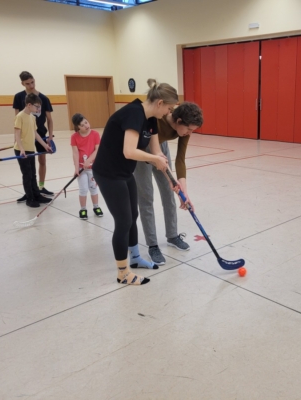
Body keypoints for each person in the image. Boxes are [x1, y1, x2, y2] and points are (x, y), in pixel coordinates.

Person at [92, 79, 179, 285]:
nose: (169, 112)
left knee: (133, 216)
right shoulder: (133, 113)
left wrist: (172, 182)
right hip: (108, 173)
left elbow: (157, 152)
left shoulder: (151, 120)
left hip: (124, 172)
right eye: (168, 108)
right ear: (159, 103)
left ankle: (136, 258)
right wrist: (154, 159)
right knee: (123, 221)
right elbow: (129, 151)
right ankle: (123, 273)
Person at [135, 102, 203, 265]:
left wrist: (183, 192)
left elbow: (180, 159)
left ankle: (172, 236)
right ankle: (152, 245)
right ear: (179, 121)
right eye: (189, 129)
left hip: (161, 147)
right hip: (142, 149)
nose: (190, 133)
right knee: (146, 198)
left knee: (169, 193)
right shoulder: (159, 117)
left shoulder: (184, 128)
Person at [13, 71, 54, 201]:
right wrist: (17, 139)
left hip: (39, 133)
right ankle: (29, 191)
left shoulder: (44, 98)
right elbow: (16, 118)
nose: (31, 85)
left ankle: (40, 188)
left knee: (41, 161)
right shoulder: (19, 97)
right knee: (27, 168)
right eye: (27, 83)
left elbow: (50, 119)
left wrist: (49, 137)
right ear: (22, 83)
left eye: (32, 82)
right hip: (25, 135)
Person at [70, 113, 103, 220]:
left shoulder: (95, 134)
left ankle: (96, 207)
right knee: (83, 189)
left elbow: (98, 150)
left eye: (86, 122)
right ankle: (83, 209)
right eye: (82, 125)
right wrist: (76, 168)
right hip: (81, 169)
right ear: (77, 127)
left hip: (93, 168)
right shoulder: (74, 137)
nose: (86, 125)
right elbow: (75, 153)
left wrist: (89, 160)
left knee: (93, 188)